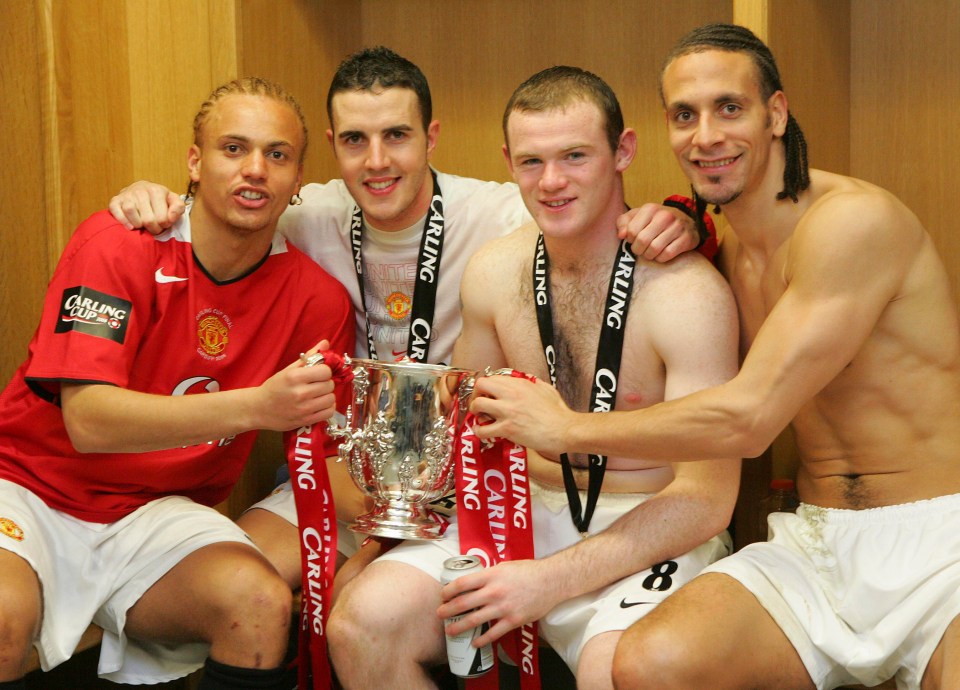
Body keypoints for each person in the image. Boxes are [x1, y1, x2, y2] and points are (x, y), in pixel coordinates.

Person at [470, 24, 960, 690]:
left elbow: (750, 420)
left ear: (776, 114)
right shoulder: (716, 246)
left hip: (939, 547)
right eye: (684, 114)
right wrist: (687, 218)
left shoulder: (851, 224)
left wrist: (568, 431)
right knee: (648, 663)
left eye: (729, 107)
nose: (705, 134)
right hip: (817, 543)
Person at [107, 46, 709, 588]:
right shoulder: (303, 214)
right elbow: (225, 205)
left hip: (453, 479)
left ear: (431, 136)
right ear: (331, 142)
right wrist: (157, 200)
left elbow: (599, 216)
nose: (375, 162)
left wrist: (686, 217)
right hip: (344, 473)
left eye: (396, 135)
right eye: (353, 140)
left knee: (368, 607)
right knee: (248, 591)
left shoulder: (500, 214)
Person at [325, 65, 741, 690]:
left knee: (619, 671)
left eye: (575, 156)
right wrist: (383, 545)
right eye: (531, 161)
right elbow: (461, 438)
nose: (551, 182)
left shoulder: (687, 295)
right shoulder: (494, 272)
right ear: (507, 160)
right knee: (362, 621)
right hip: (515, 510)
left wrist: (550, 581)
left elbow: (708, 496)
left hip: (647, 521)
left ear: (622, 151)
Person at [0, 77, 353, 690]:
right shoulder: (117, 244)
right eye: (233, 148)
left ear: (299, 180)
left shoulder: (317, 301)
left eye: (277, 155)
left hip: (157, 513)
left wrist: (371, 554)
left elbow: (332, 457)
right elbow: (89, 422)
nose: (255, 170)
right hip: (33, 491)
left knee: (259, 605)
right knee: (3, 619)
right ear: (194, 162)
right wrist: (257, 407)